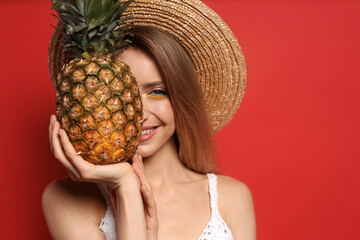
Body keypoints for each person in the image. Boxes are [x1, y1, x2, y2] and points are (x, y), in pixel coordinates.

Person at [43, 1, 256, 240]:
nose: (140, 113)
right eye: (121, 94)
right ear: (92, 104)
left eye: (157, 91)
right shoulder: (65, 199)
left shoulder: (233, 197)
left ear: (181, 97)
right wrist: (126, 185)